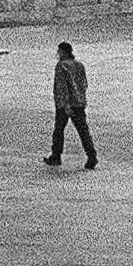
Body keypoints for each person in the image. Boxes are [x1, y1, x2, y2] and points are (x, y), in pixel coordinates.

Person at [44, 40, 98, 169]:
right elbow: (84, 84)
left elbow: (62, 87)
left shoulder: (61, 66)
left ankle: (56, 156)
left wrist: (66, 105)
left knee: (58, 131)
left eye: (59, 51)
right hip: (79, 102)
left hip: (65, 105)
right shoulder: (79, 65)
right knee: (83, 131)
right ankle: (92, 156)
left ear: (63, 52)